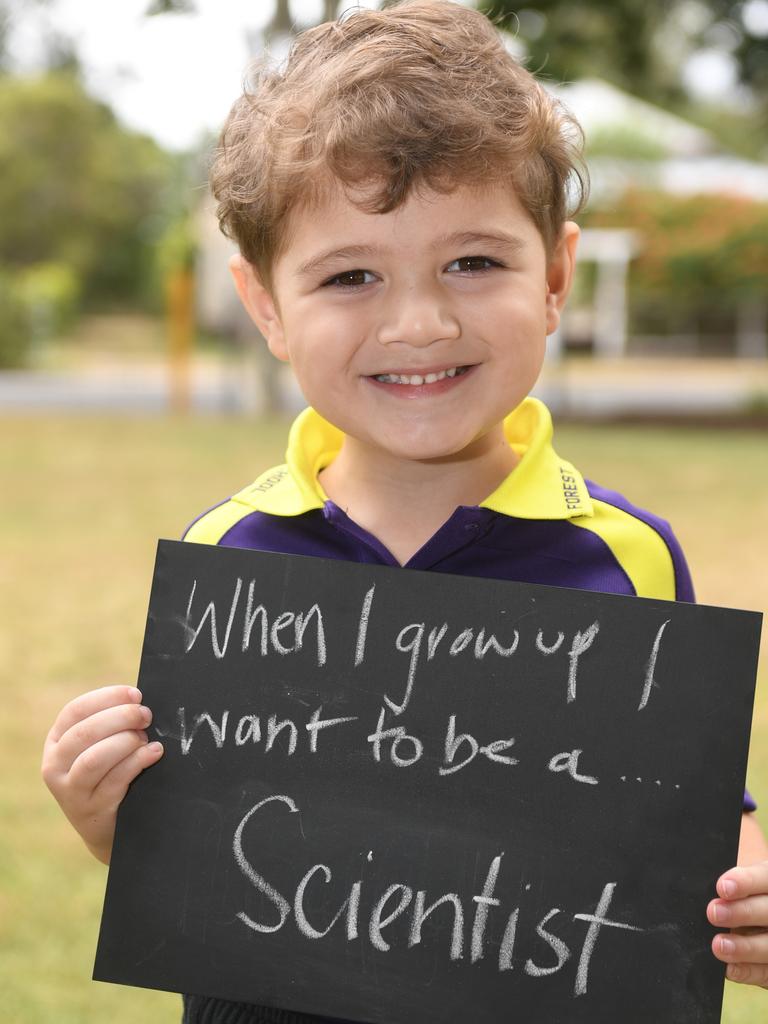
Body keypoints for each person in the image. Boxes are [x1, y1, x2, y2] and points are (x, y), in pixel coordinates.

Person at [41, 1, 768, 1019]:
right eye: (349, 276)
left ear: (556, 277)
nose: (420, 322)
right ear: (266, 310)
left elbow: (682, 813)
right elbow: (199, 849)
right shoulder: (232, 553)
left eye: (474, 262)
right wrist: (106, 812)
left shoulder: (628, 555)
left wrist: (747, 891)